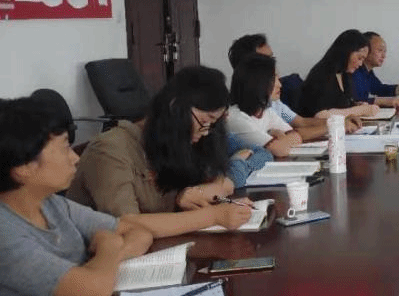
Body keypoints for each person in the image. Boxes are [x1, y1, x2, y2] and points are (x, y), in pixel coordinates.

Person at [0, 98, 248, 296]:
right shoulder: (6, 232)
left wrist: (108, 257)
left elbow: (137, 230)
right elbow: (95, 288)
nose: (75, 157)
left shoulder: (52, 204)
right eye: (65, 147)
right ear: (23, 168)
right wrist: (109, 246)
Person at [67, 66, 257, 223]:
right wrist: (212, 216)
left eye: (213, 124)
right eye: (204, 121)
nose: (206, 131)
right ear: (175, 107)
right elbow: (126, 225)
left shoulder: (179, 142)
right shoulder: (110, 150)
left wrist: (206, 192)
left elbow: (212, 178)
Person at [228, 34, 357, 137]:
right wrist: (336, 125)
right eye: (265, 60)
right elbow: (284, 141)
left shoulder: (273, 104)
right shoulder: (240, 112)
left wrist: (339, 122)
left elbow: (300, 123)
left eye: (272, 58)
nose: (271, 64)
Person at [225, 53, 304, 158]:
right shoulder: (236, 118)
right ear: (258, 83)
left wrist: (275, 136)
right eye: (273, 79)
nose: (280, 85)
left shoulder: (266, 111)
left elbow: (297, 137)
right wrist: (277, 136)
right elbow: (280, 150)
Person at [299, 30, 380, 120]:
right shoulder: (321, 75)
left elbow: (340, 105)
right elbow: (321, 115)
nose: (361, 64)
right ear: (347, 52)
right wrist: (359, 110)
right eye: (359, 58)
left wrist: (355, 105)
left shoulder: (344, 74)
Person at [352, 31, 399, 108]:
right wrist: (387, 101)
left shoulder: (367, 71)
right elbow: (359, 100)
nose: (383, 56)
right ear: (365, 50)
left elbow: (379, 89)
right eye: (380, 50)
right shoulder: (355, 70)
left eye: (384, 51)